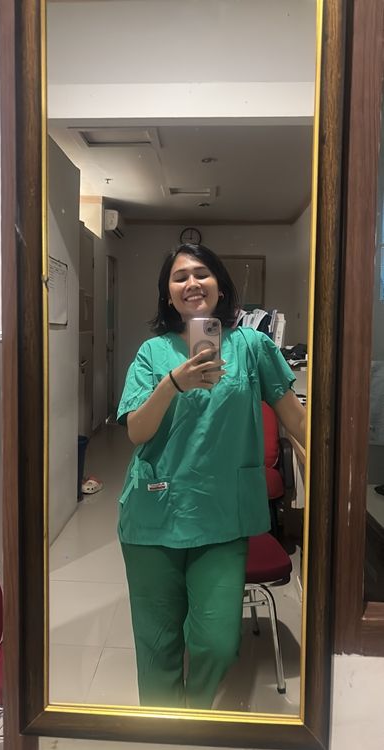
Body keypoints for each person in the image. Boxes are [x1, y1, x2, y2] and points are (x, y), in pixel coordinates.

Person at [117, 243, 306, 710]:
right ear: (167, 294)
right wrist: (172, 384)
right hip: (154, 513)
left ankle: (192, 713)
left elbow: (297, 420)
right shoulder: (152, 353)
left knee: (218, 642)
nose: (191, 283)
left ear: (221, 286)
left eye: (201, 273)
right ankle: (167, 730)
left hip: (222, 516)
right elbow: (137, 431)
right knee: (158, 644)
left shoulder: (252, 347)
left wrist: (336, 463)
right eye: (179, 276)